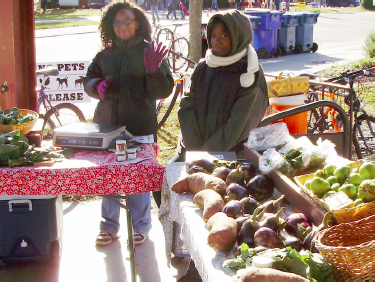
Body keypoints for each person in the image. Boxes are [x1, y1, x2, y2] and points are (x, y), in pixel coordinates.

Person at [83, 2, 174, 246]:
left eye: (127, 21)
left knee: (139, 178)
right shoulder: (105, 54)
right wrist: (95, 86)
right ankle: (109, 227)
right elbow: (89, 77)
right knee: (110, 177)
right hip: (108, 128)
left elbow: (164, 88)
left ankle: (140, 226)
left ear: (138, 23)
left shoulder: (149, 51)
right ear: (110, 26)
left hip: (140, 127)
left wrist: (154, 71)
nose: (123, 26)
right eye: (117, 22)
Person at [176, 10, 268, 162]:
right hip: (192, 152)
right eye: (213, 35)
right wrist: (194, 149)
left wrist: (202, 156)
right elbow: (186, 106)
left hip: (231, 160)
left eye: (224, 35)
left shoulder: (250, 76)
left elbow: (235, 128)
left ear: (239, 36)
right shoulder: (204, 66)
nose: (215, 41)